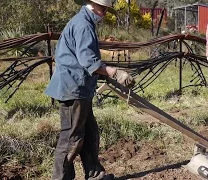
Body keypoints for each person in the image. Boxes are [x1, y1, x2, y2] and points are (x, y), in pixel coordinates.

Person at [45, 0, 135, 179]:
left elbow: (82, 60)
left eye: (106, 10)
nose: (104, 14)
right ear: (92, 5)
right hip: (73, 89)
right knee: (72, 138)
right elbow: (89, 61)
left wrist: (105, 73)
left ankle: (94, 174)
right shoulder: (83, 26)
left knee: (89, 133)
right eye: (103, 9)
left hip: (79, 87)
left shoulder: (82, 22)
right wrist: (114, 72)